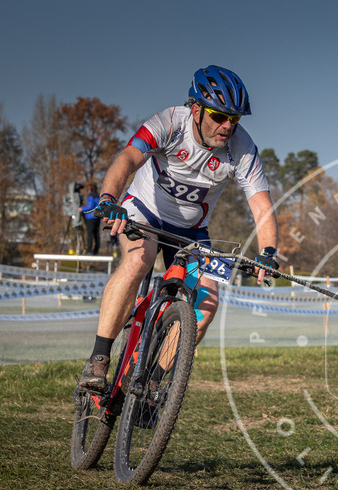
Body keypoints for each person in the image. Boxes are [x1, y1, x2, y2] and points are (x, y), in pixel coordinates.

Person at [78, 65, 279, 393]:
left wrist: (268, 251)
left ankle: (148, 384)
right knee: (138, 262)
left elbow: (261, 206)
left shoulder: (242, 149)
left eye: (235, 119)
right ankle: (98, 359)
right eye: (218, 115)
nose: (227, 126)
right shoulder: (169, 122)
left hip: (192, 231)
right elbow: (127, 158)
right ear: (196, 109)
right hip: (144, 211)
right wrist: (109, 198)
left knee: (207, 304)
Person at [80, 183, 101, 255]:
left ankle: (89, 250)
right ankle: (96, 250)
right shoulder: (98, 196)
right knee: (96, 234)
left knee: (90, 234)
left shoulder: (91, 196)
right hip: (97, 217)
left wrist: (81, 209)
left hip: (90, 217)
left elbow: (90, 207)